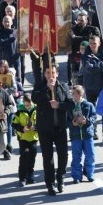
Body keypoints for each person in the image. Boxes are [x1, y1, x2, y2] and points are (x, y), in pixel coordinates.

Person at [32, 65, 73, 196]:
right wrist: (47, 89)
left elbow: (71, 104)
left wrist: (59, 105)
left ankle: (60, 177)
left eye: (53, 72)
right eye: (48, 73)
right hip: (45, 129)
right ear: (45, 74)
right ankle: (50, 184)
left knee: (63, 155)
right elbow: (34, 99)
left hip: (59, 128)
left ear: (57, 74)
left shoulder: (63, 86)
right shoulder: (39, 86)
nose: (51, 75)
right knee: (48, 157)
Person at [80, 35, 103, 140]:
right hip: (91, 87)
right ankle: (93, 131)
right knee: (91, 111)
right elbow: (90, 69)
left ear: (99, 43)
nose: (92, 45)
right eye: (91, 43)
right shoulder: (85, 55)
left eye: (94, 43)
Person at [67, 85, 96, 184]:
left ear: (80, 94)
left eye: (73, 93)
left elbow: (94, 117)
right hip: (75, 135)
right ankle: (76, 176)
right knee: (76, 156)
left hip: (87, 134)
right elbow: (67, 120)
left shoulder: (88, 104)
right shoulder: (70, 106)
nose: (72, 95)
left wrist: (86, 121)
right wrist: (72, 123)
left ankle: (89, 173)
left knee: (90, 155)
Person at [12, 93, 38, 187]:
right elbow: (14, 124)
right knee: (25, 155)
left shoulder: (37, 109)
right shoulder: (19, 111)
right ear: (23, 103)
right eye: (26, 105)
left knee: (32, 156)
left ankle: (30, 175)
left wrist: (35, 127)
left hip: (34, 137)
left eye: (29, 105)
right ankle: (22, 177)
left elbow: (42, 122)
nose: (28, 107)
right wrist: (22, 128)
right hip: (23, 137)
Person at [69, 11, 97, 85]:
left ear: (86, 21)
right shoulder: (73, 29)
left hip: (88, 55)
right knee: (75, 75)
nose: (79, 22)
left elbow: (88, 38)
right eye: (78, 20)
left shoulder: (91, 29)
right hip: (75, 55)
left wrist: (75, 37)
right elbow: (68, 40)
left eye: (82, 20)